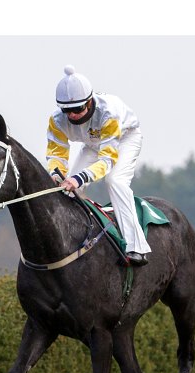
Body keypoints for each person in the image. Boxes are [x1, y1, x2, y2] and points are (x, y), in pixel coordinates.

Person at [46, 65, 151, 266]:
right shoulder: (56, 121)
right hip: (92, 144)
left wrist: (79, 178)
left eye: (77, 109)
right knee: (65, 191)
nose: (73, 115)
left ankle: (136, 247)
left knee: (114, 181)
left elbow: (107, 160)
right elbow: (56, 153)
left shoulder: (108, 113)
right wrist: (56, 174)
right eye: (67, 110)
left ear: (89, 101)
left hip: (124, 139)